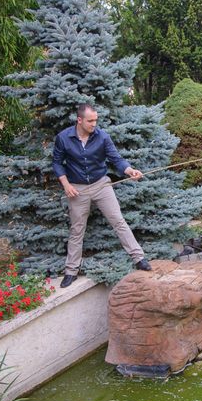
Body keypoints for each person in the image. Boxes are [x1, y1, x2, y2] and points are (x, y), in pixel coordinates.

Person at [52, 104, 152, 288]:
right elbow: (57, 163)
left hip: (101, 185)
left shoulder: (102, 136)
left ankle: (139, 259)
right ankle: (71, 271)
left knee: (118, 221)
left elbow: (116, 159)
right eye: (90, 121)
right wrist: (66, 185)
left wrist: (130, 171)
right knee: (77, 229)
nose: (94, 124)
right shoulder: (63, 138)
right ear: (79, 120)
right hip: (77, 189)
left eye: (96, 120)